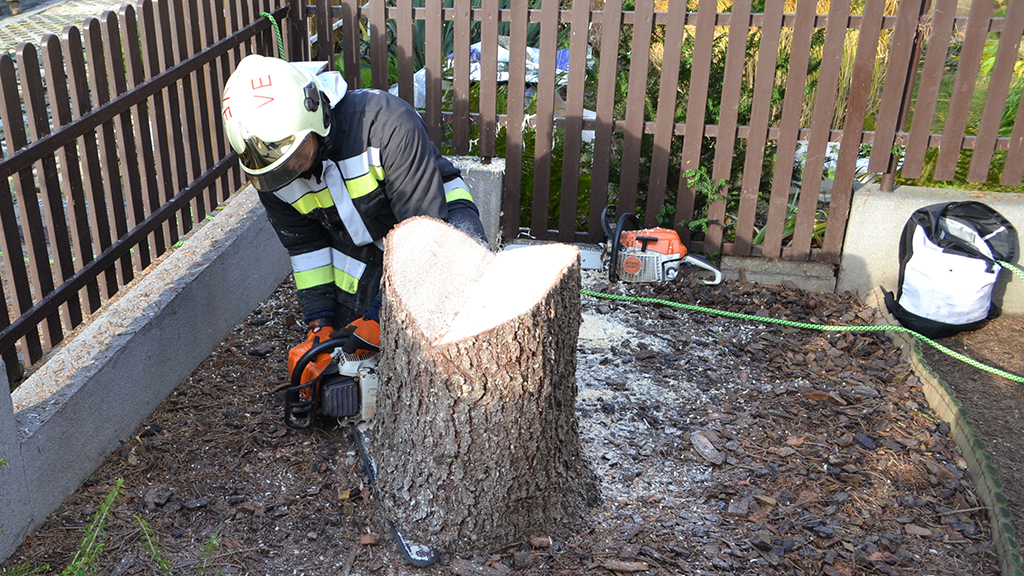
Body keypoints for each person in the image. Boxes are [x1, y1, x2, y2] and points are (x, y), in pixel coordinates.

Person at [221, 54, 488, 384]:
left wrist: (381, 316)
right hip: (359, 234)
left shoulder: (386, 124)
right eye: (277, 168)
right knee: (347, 354)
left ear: (314, 118)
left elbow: (423, 235)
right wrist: (319, 324)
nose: (288, 172)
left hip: (435, 219)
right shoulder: (271, 169)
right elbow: (307, 247)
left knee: (452, 302)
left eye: (292, 159)